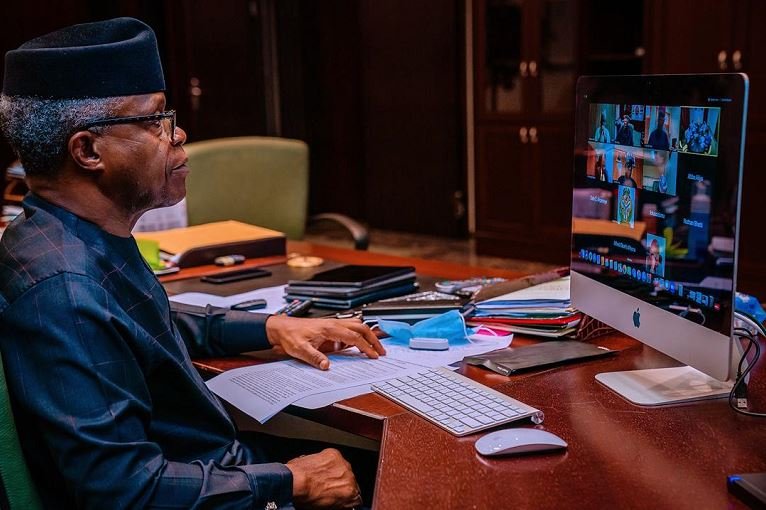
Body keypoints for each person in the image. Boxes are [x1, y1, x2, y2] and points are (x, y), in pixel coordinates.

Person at [0, 18, 383, 509]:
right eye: (154, 120)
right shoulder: (67, 290)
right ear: (88, 150)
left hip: (212, 467)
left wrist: (270, 327)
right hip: (203, 483)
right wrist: (291, 483)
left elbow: (135, 326)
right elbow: (125, 491)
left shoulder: (52, 235)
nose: (177, 134)